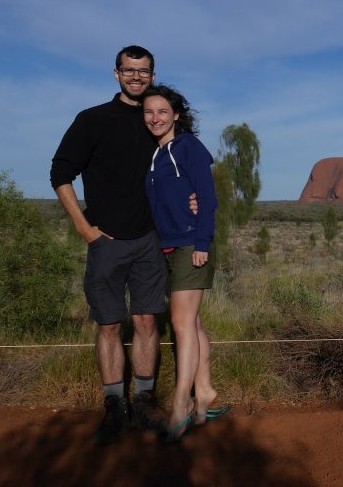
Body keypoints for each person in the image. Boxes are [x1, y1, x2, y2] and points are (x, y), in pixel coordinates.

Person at [50, 45, 174, 443]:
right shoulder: (93, 120)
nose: (136, 76)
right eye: (129, 70)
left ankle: (144, 403)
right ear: (116, 73)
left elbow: (182, 168)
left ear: (153, 75)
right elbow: (60, 173)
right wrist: (85, 228)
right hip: (106, 240)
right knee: (108, 325)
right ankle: (113, 408)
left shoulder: (157, 119)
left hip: (149, 240)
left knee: (145, 322)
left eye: (144, 71)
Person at [141, 84, 229, 442]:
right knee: (192, 322)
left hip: (190, 245)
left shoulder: (188, 147)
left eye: (162, 111)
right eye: (149, 112)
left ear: (176, 114)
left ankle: (181, 406)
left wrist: (202, 242)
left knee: (180, 323)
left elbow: (207, 198)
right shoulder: (156, 154)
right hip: (168, 246)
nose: (155, 118)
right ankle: (205, 391)